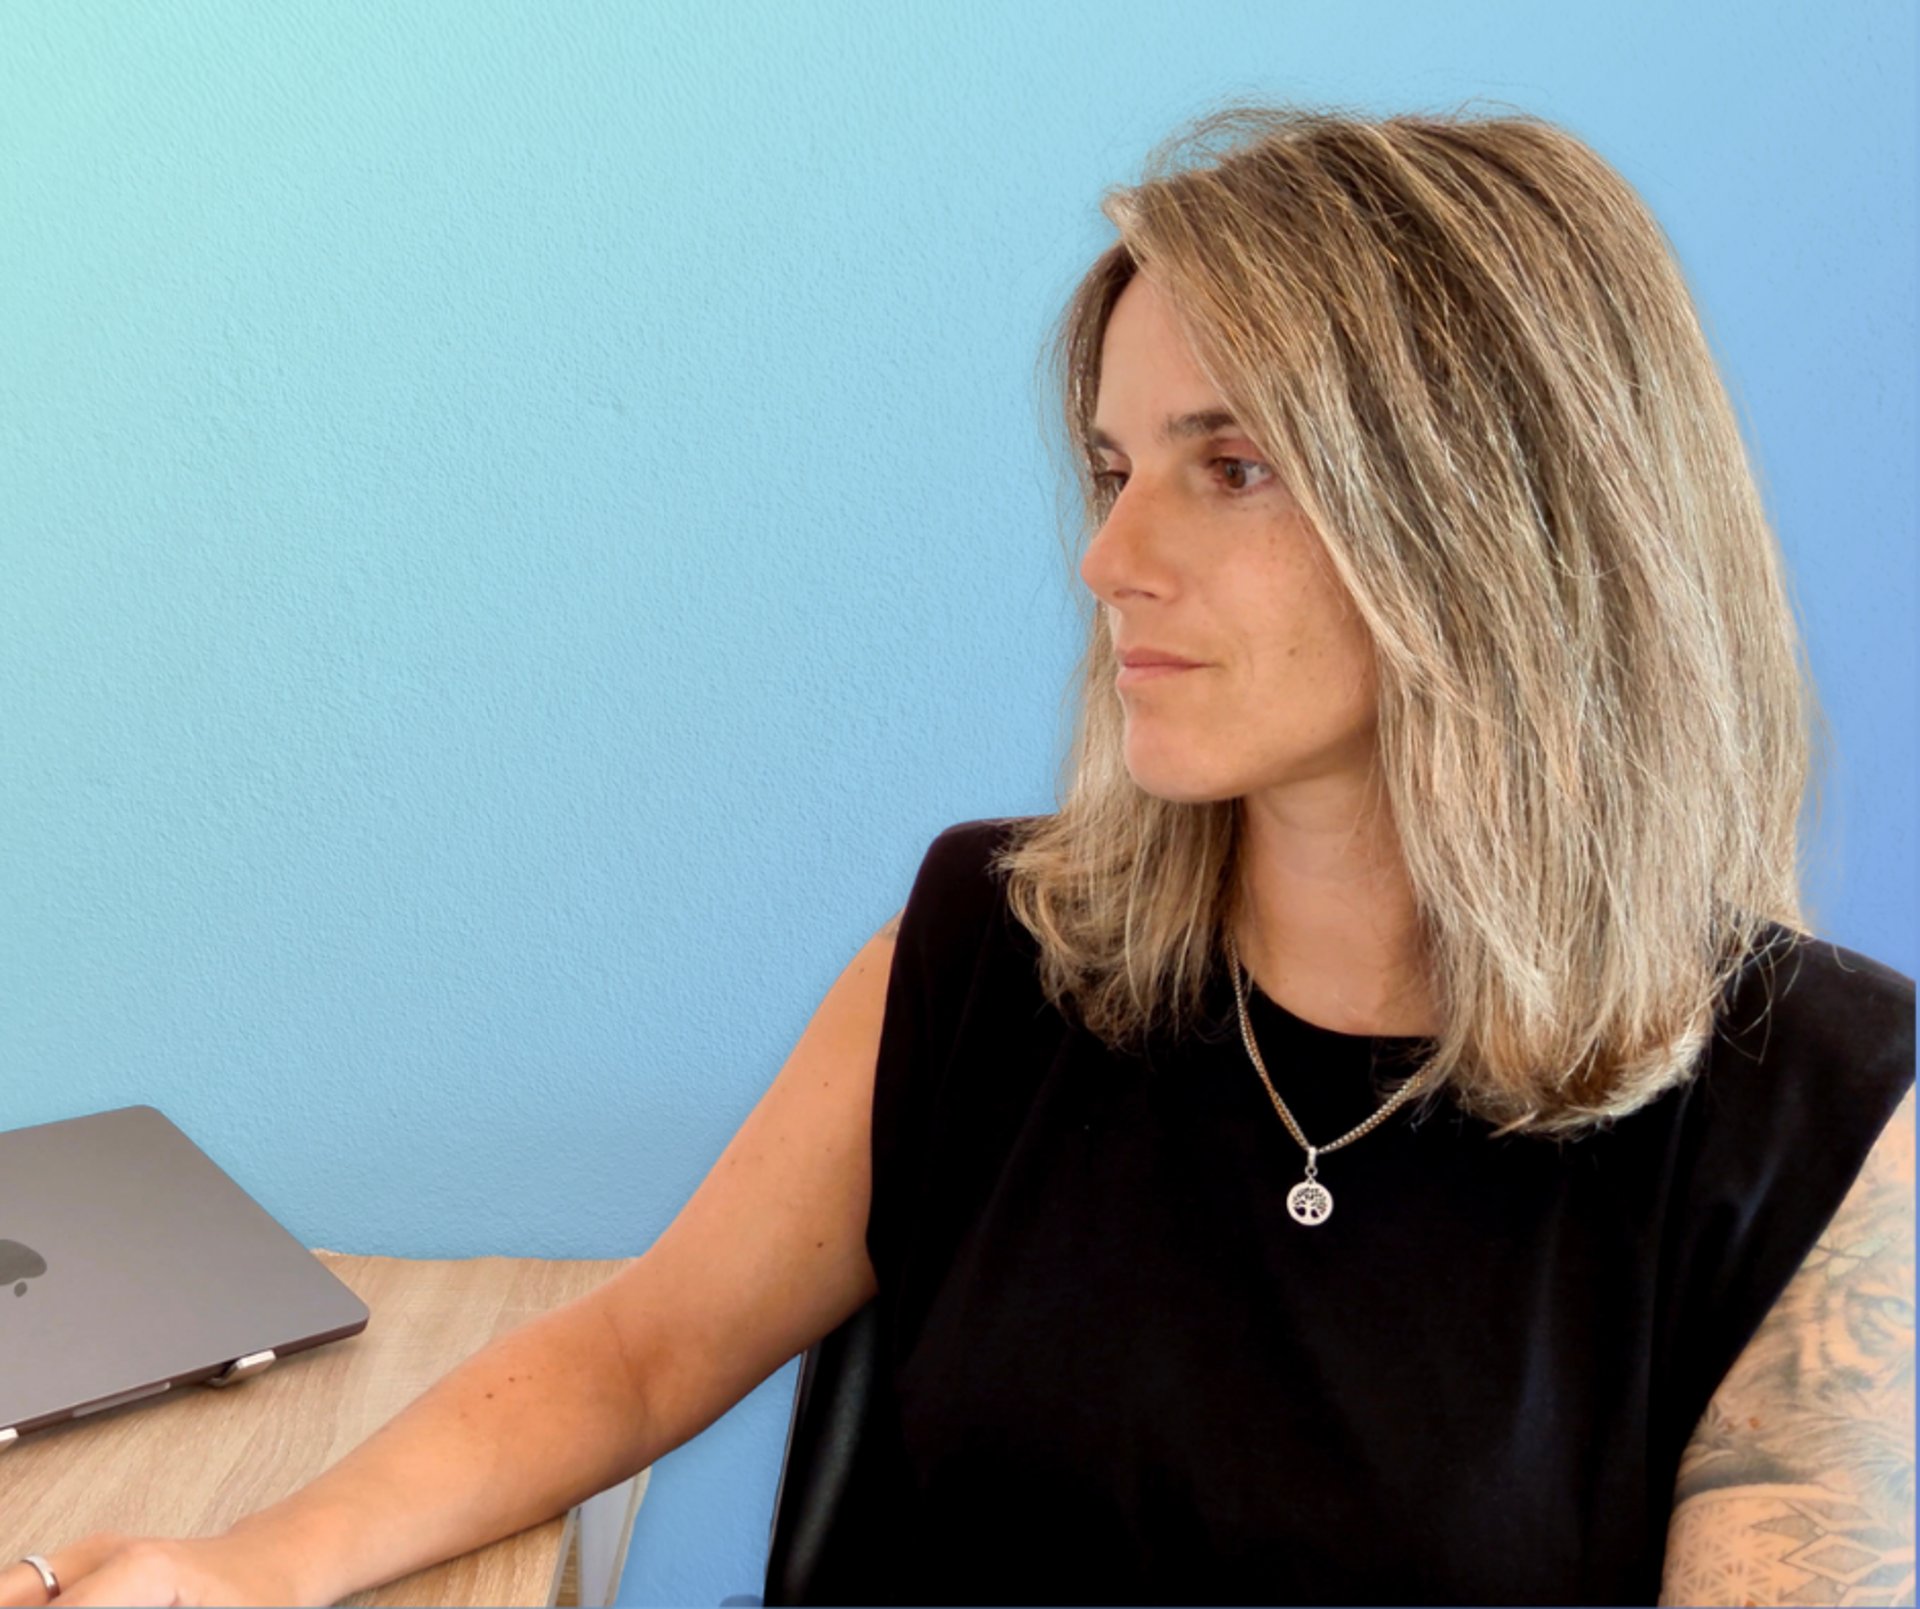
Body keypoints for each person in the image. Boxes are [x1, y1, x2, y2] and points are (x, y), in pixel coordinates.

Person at [6, 102, 1912, 1609]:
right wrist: (236, 1565)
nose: (1108, 558)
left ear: (1498, 515)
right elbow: (644, 1352)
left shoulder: (1817, 1113)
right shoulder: (998, 946)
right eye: (1111, 465)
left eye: (1227, 465)